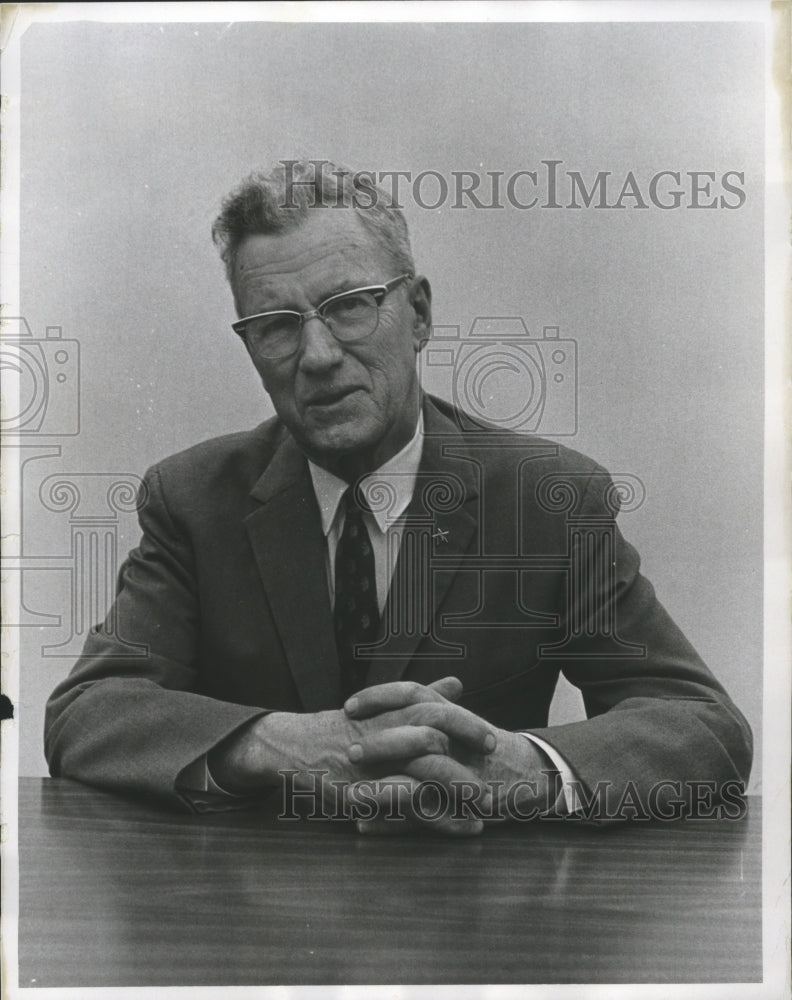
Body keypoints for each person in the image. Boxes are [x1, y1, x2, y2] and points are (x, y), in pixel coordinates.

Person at [44, 161, 752, 835]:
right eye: (277, 325)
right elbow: (89, 713)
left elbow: (702, 726)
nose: (317, 355)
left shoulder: (547, 499)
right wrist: (278, 744)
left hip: (484, 918)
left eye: (350, 306)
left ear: (418, 314)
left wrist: (525, 769)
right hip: (255, 915)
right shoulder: (193, 500)